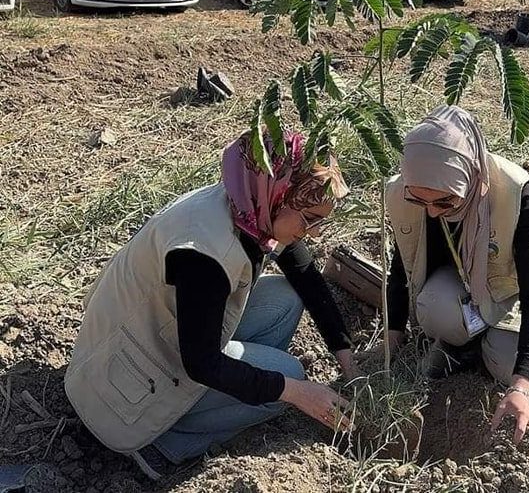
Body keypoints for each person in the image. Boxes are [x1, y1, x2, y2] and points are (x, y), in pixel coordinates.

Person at [64, 131, 360, 480]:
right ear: (279, 194)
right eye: (310, 218)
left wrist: (349, 362)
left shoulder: (248, 201)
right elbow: (201, 362)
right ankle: (165, 444)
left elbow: (303, 272)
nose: (315, 232)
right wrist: (296, 392)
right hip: (119, 391)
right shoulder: (203, 254)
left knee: (285, 298)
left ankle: (225, 401)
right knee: (291, 376)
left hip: (153, 339)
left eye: (320, 221)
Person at [383, 105, 529, 447]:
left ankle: (486, 345)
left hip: (517, 289)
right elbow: (404, 262)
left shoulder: (516, 195)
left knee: (507, 362)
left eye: (445, 203)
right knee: (433, 307)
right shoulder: (408, 192)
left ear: (470, 175)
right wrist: (392, 335)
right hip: (471, 287)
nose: (432, 211)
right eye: (421, 201)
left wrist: (521, 387)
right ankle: (466, 346)